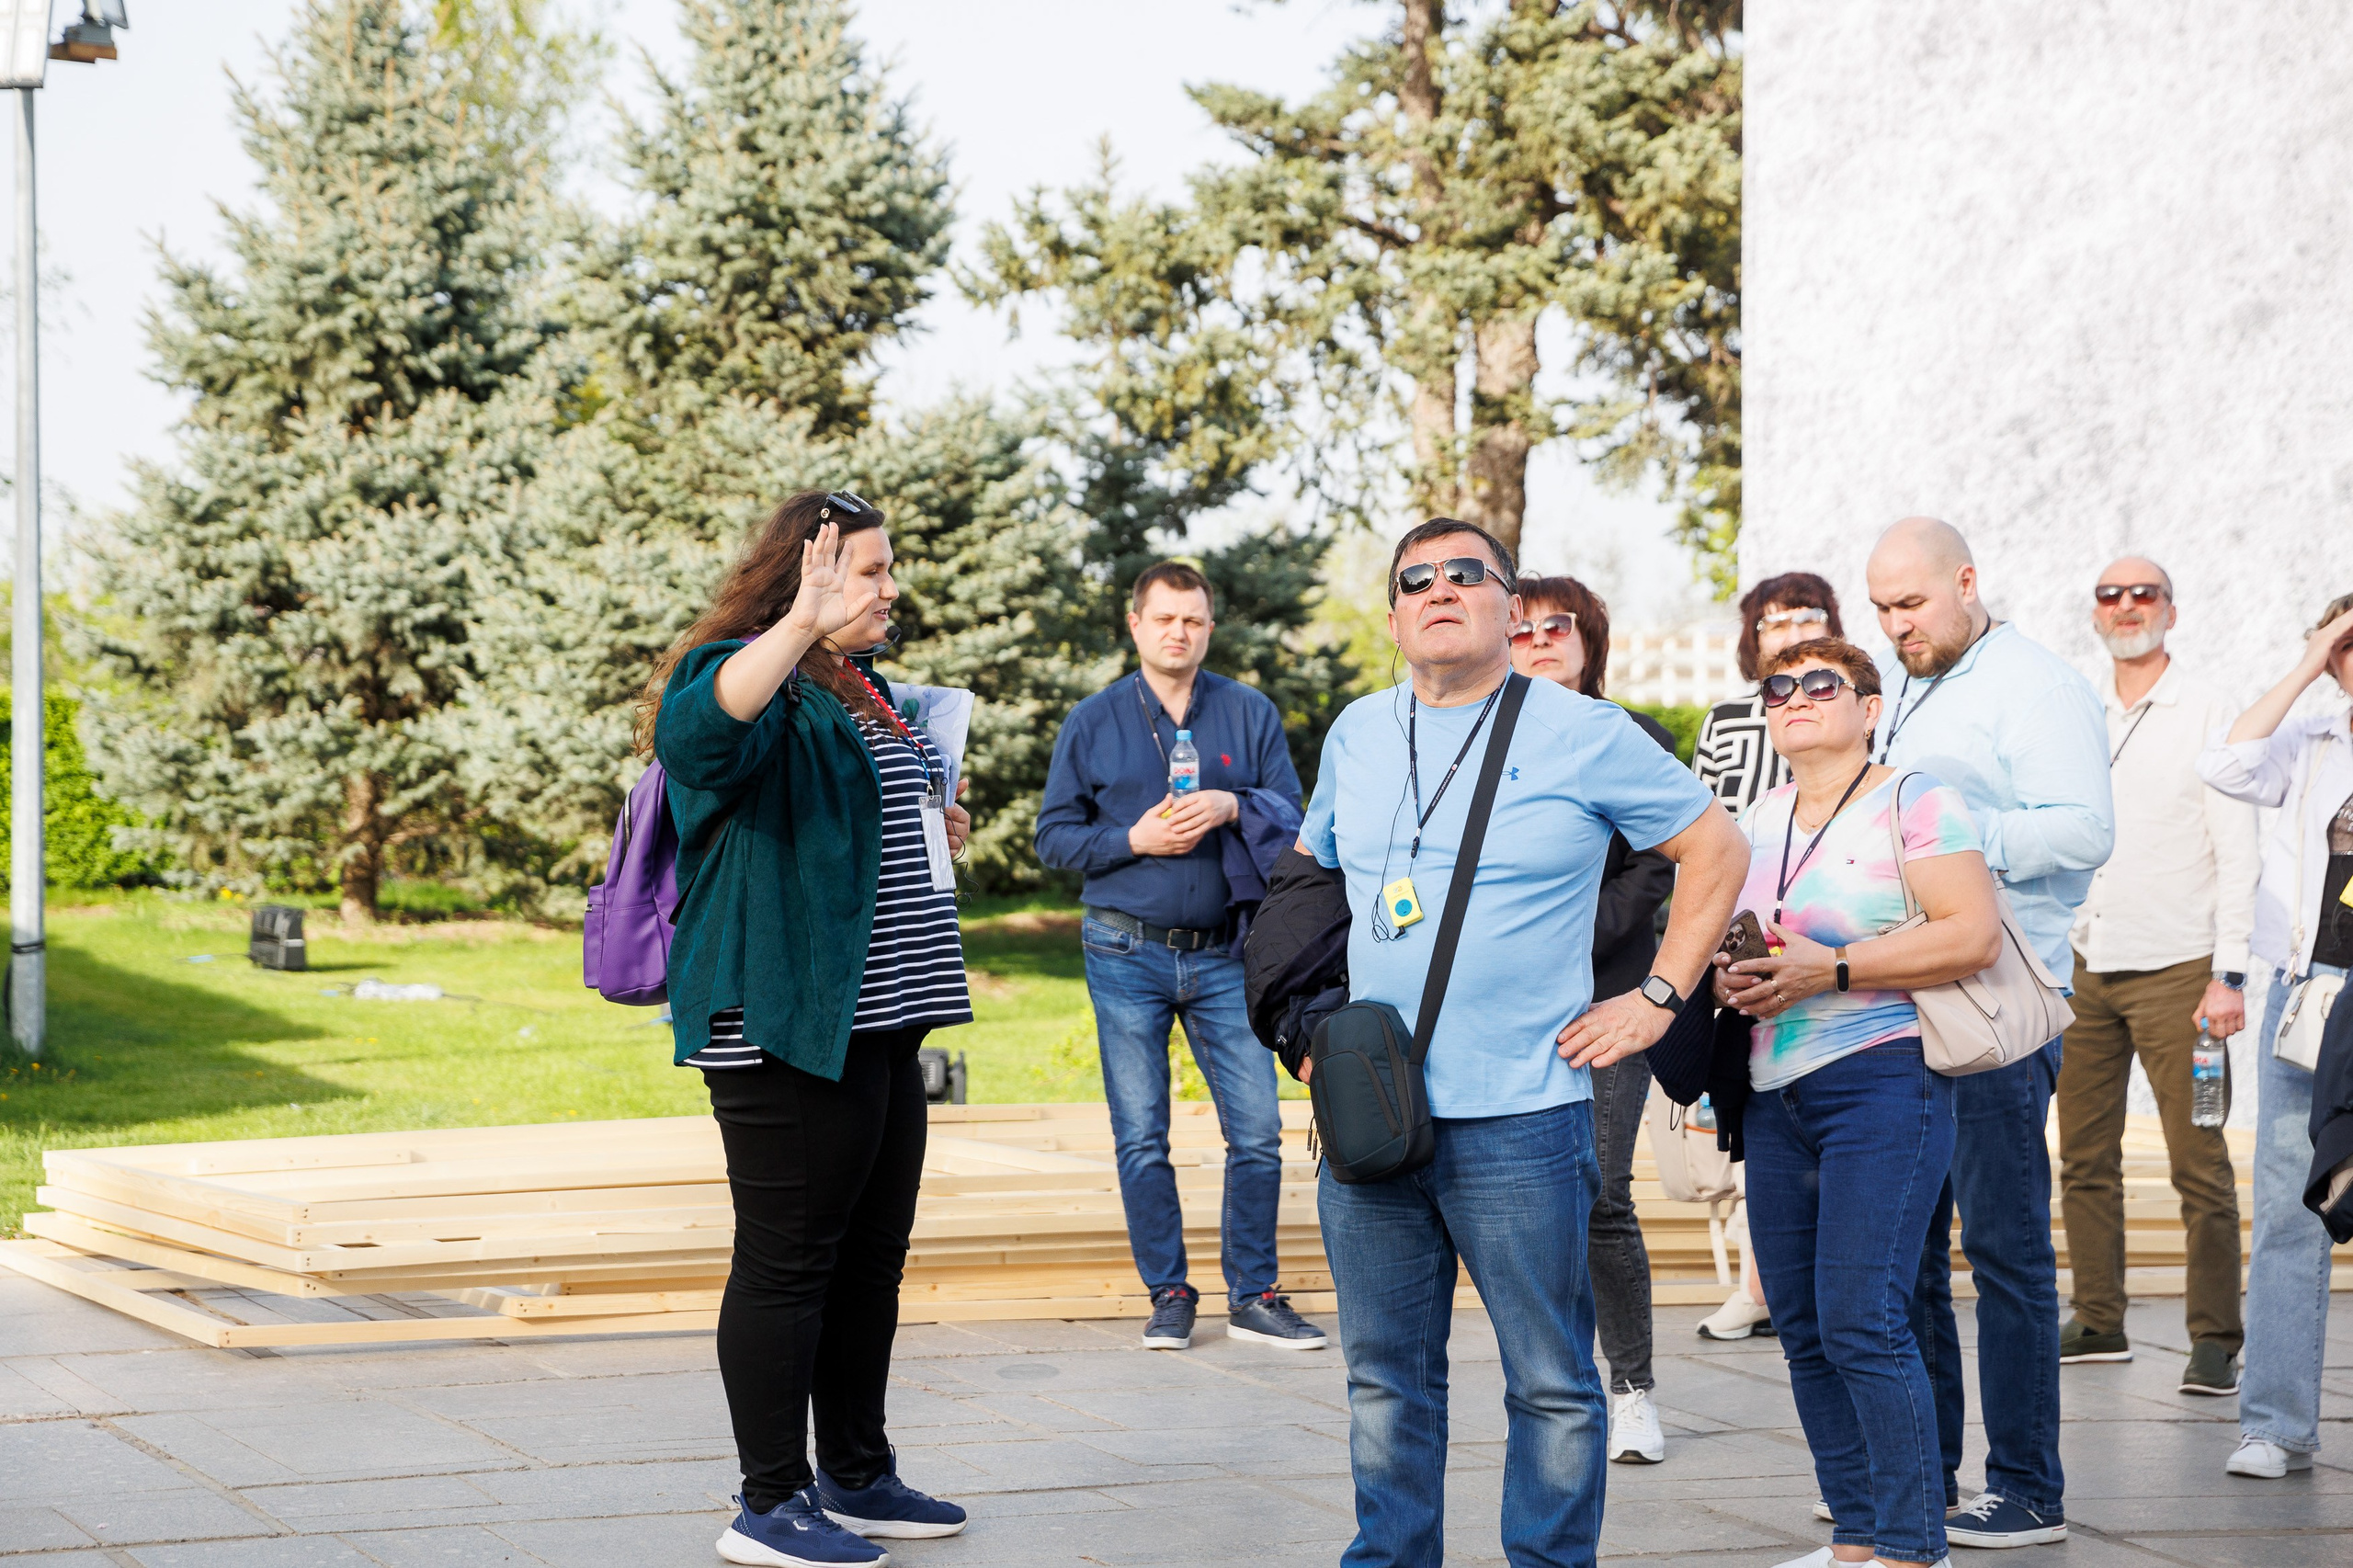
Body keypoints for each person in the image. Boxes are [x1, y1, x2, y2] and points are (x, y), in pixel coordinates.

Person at [1299, 518, 1748, 1568]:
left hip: (1521, 1119)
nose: (1440, 589)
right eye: (1417, 578)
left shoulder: (1581, 730)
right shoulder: (1358, 731)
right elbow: (1312, 883)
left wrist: (1657, 996)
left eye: (1468, 573)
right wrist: (1307, 1023)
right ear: (1395, 609)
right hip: (1375, 1119)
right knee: (1380, 1378)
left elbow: (1714, 845)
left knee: (1548, 1379)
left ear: (1510, 606)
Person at [643, 490, 974, 1568]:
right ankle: (767, 1500)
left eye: (886, 571)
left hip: (881, 1018)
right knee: (789, 1260)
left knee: (870, 1256)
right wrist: (797, 620)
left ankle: (858, 1471)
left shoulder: (858, 682)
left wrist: (932, 816)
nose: (891, 590)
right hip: (786, 1020)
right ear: (810, 577)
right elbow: (696, 741)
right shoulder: (743, 669)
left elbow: (851, 814)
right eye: (870, 573)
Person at [1712, 638, 2004, 1568]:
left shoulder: (1914, 797)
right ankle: (1856, 1535)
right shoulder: (1753, 817)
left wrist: (1831, 966)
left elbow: (1973, 932)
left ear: (1868, 705)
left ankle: (1915, 1545)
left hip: (1883, 1075)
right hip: (1772, 1090)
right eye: (1778, 686)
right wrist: (1736, 979)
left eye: (1820, 683)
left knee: (1861, 1317)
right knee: (1800, 1323)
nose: (1794, 696)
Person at [1866, 517, 2113, 1551]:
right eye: (1880, 608)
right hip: (1906, 1002)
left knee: (2005, 1255)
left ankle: (2026, 1487)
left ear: (1967, 582)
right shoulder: (1916, 686)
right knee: (1911, 1259)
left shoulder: (2036, 685)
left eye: (1911, 604)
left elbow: (2084, 828)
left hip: (2000, 1010)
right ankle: (1928, 1474)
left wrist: (1951, 848)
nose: (1894, 625)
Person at [1034, 562, 1324, 1351]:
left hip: (1229, 952)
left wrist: (1236, 804)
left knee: (1258, 1132)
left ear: (1209, 628)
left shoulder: (1248, 712)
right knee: (1141, 1134)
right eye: (1164, 619)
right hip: (1123, 948)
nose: (1179, 633)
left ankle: (1254, 1294)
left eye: (1193, 621)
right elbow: (1052, 837)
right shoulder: (1092, 722)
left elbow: (1299, 817)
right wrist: (1134, 838)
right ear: (1136, 625)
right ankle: (1168, 1292)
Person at [2056, 558, 2256, 1392]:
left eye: (2145, 593)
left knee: (2197, 1158)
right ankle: (2100, 1318)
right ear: (2094, 612)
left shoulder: (2208, 710)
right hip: (2086, 963)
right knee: (2082, 1158)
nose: (2127, 605)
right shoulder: (2073, 710)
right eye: (2111, 594)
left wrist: (2231, 976)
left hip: (2182, 969)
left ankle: (2215, 1335)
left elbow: (2238, 852)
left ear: (2172, 608)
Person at [1508, 574, 1679, 1467]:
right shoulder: (1479, 743)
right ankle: (1552, 1386)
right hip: (1499, 1010)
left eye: (1556, 627)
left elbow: (1656, 867)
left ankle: (1631, 1386)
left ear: (1589, 641)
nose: (1538, 640)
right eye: (1521, 628)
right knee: (1528, 1201)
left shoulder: (1630, 739)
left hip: (1608, 1001)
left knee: (1603, 1195)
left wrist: (1559, 936)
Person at [2197, 589, 2353, 1480]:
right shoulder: (2313, 735)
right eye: (2343, 641)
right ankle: (2275, 1423)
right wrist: (2306, 663)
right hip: (2314, 994)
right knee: (2291, 1209)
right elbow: (2222, 763)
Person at [1690, 570, 1845, 1342]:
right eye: (1771, 621)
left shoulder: (1849, 710)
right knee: (1757, 1116)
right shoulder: (1725, 721)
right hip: (1748, 934)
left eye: (1805, 617)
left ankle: (1821, 1284)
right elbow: (1702, 827)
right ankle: (1762, 1285)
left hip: (1838, 938)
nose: (1785, 631)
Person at [1693, 572, 1846, 813]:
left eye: (1809, 621)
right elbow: (1698, 823)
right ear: (1755, 640)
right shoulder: (1724, 720)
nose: (1795, 638)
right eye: (1778, 625)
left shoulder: (1852, 710)